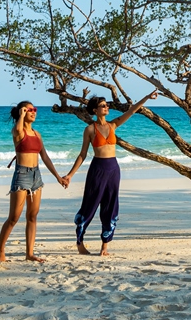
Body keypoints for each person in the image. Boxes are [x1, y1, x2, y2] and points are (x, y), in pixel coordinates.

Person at [62, 89, 158, 256]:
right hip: (98, 169)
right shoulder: (90, 130)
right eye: (103, 106)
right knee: (90, 205)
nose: (106, 108)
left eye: (106, 105)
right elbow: (82, 154)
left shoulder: (113, 125)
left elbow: (132, 110)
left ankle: (104, 246)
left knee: (110, 206)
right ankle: (80, 242)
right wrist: (70, 175)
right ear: (95, 110)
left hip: (113, 169)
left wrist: (146, 97)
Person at [0, 101, 67, 262]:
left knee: (32, 216)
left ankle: (29, 254)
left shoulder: (37, 134)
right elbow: (17, 129)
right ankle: (0, 249)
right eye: (30, 110)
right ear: (22, 112)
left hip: (36, 176)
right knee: (14, 217)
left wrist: (58, 177)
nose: (34, 112)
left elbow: (45, 157)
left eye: (34, 110)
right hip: (22, 174)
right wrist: (21, 115)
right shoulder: (18, 132)